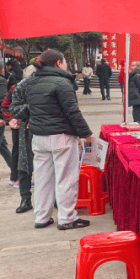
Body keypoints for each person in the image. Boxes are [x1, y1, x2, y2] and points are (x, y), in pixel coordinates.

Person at [26, 49, 93, 230]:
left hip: (39, 136)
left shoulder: (31, 81)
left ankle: (42, 217)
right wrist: (85, 133)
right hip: (60, 136)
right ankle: (67, 218)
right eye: (64, 62)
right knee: (66, 179)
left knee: (42, 179)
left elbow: (27, 108)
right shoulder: (62, 82)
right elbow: (72, 111)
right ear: (58, 63)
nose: (66, 65)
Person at [8, 64, 38, 213]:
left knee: (47, 167)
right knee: (24, 164)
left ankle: (51, 199)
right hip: (26, 130)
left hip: (45, 129)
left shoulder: (54, 83)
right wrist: (31, 108)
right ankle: (25, 198)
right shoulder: (21, 86)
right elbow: (14, 108)